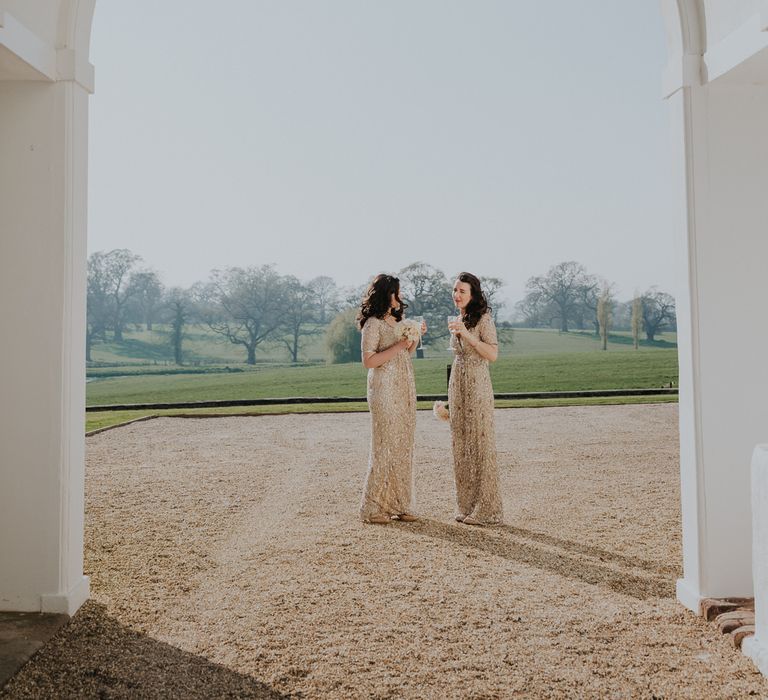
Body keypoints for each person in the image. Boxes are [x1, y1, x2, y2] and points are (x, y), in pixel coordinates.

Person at [358, 274, 422, 524]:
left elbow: (408, 351)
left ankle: (400, 503)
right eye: (397, 292)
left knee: (403, 442)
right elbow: (368, 361)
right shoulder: (372, 324)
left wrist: (414, 338)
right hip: (383, 387)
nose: (401, 297)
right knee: (385, 443)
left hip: (404, 384)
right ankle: (372, 507)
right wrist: (398, 346)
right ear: (387, 294)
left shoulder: (399, 320)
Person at [448, 272, 503, 526]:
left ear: (473, 295)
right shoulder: (460, 317)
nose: (457, 295)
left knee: (480, 444)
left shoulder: (484, 319)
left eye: (462, 291)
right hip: (458, 384)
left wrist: (467, 335)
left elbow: (492, 355)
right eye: (455, 290)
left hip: (478, 384)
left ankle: (488, 510)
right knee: (462, 445)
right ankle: (467, 504)